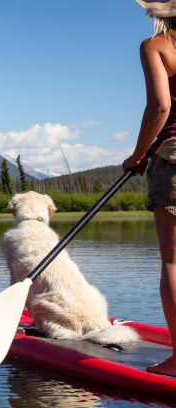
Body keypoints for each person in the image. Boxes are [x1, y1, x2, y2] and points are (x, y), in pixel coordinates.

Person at [123, 0, 176, 377]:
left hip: (173, 162)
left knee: (174, 263)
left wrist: (138, 155)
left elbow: (160, 107)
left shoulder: (156, 46)